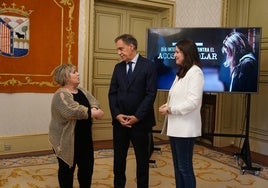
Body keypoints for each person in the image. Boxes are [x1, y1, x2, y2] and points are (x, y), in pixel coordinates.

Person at [108, 34, 158, 188]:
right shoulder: (118, 67)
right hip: (120, 123)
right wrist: (117, 115)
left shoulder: (148, 66)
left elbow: (150, 95)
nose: (119, 52)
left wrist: (137, 116)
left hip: (141, 123)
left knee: (142, 160)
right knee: (119, 159)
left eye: (121, 48)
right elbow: (112, 93)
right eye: (118, 49)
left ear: (131, 46)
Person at [48, 63, 104, 188]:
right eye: (74, 72)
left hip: (85, 137)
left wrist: (94, 108)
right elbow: (72, 111)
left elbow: (94, 102)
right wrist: (93, 112)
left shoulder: (83, 91)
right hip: (66, 140)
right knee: (67, 171)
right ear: (66, 77)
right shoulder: (60, 95)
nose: (78, 74)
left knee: (86, 170)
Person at [159, 39, 204, 188]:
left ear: (187, 53)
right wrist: (167, 105)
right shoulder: (182, 72)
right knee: (178, 167)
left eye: (177, 52)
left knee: (185, 168)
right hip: (176, 128)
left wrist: (170, 109)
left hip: (185, 129)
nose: (175, 55)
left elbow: (193, 102)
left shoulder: (195, 72)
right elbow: (177, 96)